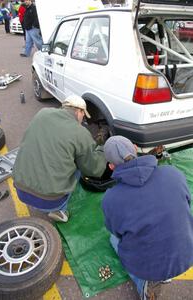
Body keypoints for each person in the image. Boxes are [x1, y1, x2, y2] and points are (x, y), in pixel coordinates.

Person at [102, 136, 193, 300]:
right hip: (187, 254)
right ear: (135, 148)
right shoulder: (174, 174)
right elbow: (187, 203)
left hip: (150, 267)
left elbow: (115, 231)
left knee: (113, 240)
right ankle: (165, 274)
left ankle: (144, 285)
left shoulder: (111, 199)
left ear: (111, 166)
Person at [12, 95, 106, 222]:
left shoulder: (42, 114)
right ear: (79, 111)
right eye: (83, 115)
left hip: (21, 191)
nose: (82, 119)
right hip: (50, 201)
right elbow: (93, 169)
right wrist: (101, 151)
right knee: (80, 164)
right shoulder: (80, 132)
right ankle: (59, 210)